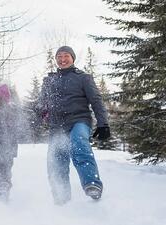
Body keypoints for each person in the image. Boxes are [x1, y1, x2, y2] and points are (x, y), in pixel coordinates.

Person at [37, 46, 111, 205]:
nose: (62, 59)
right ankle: (61, 197)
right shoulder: (49, 80)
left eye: (66, 56)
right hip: (57, 125)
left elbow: (96, 101)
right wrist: (40, 113)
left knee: (79, 144)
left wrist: (103, 124)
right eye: (59, 57)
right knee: (56, 159)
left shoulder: (83, 78)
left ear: (72, 58)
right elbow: (42, 103)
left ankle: (92, 184)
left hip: (78, 120)